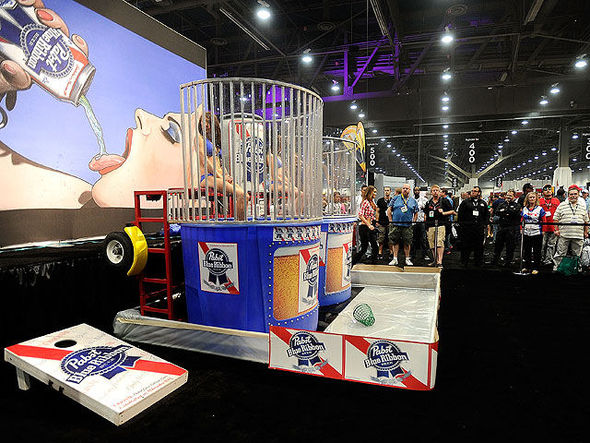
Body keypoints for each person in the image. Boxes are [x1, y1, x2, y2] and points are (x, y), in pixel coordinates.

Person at [553, 185, 590, 271]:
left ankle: (577, 268)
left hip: (578, 235)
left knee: (577, 254)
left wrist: (586, 232)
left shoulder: (582, 206)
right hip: (564, 234)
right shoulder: (562, 205)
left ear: (578, 195)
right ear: (568, 195)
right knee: (560, 253)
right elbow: (555, 218)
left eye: (575, 194)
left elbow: (586, 221)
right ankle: (557, 268)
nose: (573, 196)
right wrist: (556, 230)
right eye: (571, 194)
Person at [457, 185, 489, 267]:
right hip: (467, 229)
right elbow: (460, 215)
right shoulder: (465, 202)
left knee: (479, 246)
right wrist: (462, 225)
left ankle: (478, 262)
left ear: (479, 193)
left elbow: (486, 215)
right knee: (465, 246)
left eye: (475, 191)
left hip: (479, 229)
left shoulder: (483, 203)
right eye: (472, 191)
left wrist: (485, 224)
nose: (473, 192)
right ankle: (464, 262)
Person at [387, 183, 418, 266]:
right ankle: (395, 258)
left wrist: (414, 221)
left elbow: (416, 212)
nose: (405, 190)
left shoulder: (413, 201)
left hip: (407, 226)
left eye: (407, 188)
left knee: (407, 242)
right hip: (396, 224)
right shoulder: (395, 198)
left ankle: (407, 259)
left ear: (409, 190)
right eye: (404, 188)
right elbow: (389, 210)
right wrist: (390, 220)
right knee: (395, 241)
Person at [424, 185, 454, 267]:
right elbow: (426, 214)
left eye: (437, 190)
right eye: (433, 190)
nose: (435, 192)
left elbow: (452, 211)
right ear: (431, 192)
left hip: (441, 224)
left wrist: (443, 212)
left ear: (439, 192)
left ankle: (440, 261)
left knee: (439, 242)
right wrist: (426, 226)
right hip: (430, 225)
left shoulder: (444, 201)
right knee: (432, 243)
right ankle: (435, 260)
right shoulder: (429, 202)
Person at [490, 190, 521, 267]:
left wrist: (505, 212)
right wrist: (508, 213)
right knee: (498, 246)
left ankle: (508, 262)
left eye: (510, 196)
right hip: (502, 227)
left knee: (510, 247)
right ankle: (495, 261)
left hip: (511, 229)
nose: (508, 197)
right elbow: (497, 212)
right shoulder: (501, 204)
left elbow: (516, 213)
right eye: (507, 195)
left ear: (514, 197)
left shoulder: (517, 205)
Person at [352, 185, 378, 265]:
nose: (375, 194)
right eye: (374, 192)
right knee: (366, 247)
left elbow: (372, 214)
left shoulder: (371, 202)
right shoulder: (365, 202)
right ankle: (353, 261)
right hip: (365, 227)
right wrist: (369, 225)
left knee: (370, 246)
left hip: (369, 226)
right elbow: (360, 215)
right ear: (370, 192)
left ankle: (372, 262)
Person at [521, 191, 546, 274]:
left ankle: (536, 267)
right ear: (527, 199)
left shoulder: (540, 209)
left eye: (533, 197)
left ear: (536, 199)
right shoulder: (524, 209)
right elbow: (522, 220)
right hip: (526, 232)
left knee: (536, 251)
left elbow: (544, 220)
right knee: (527, 250)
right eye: (530, 197)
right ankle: (527, 267)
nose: (532, 199)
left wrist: (543, 230)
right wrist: (521, 229)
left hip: (537, 233)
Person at [539, 185, 561, 265]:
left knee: (551, 244)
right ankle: (540, 259)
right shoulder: (540, 201)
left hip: (553, 226)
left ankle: (548, 259)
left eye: (549, 189)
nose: (548, 191)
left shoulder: (556, 200)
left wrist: (557, 227)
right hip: (542, 227)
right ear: (542, 192)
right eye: (545, 189)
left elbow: (559, 213)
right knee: (541, 244)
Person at [411, 186, 431, 262]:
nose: (416, 191)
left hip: (422, 221)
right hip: (413, 221)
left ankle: (424, 254)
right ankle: (412, 255)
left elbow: (427, 211)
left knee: (423, 239)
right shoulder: (411, 200)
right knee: (413, 239)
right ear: (413, 191)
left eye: (418, 190)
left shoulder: (424, 200)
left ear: (419, 191)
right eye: (415, 190)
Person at [375, 186, 393, 260]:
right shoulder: (380, 200)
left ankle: (391, 253)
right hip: (381, 222)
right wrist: (377, 220)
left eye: (388, 190)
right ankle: (380, 252)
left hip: (390, 222)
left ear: (390, 191)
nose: (386, 192)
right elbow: (377, 211)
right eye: (385, 190)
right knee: (381, 238)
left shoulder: (392, 200)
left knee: (390, 238)